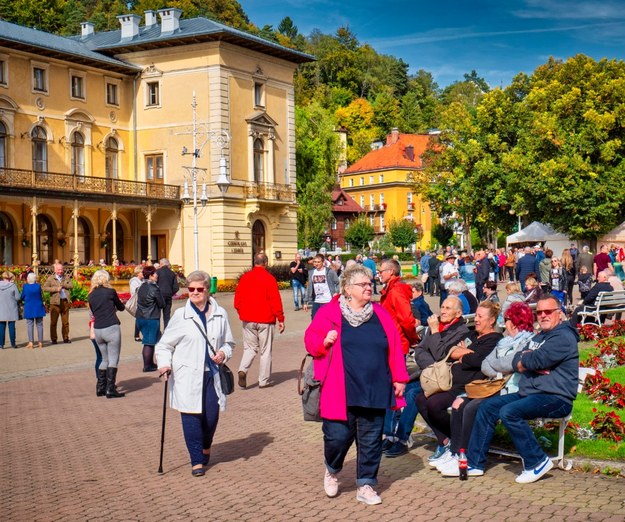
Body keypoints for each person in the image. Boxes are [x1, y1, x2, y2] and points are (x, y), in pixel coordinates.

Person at [443, 295, 579, 483]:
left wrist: (527, 359)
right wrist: (525, 360)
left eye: (548, 312)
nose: (543, 315)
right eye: (539, 312)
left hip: (556, 397)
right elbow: (518, 359)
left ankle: (537, 461)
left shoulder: (563, 336)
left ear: (559, 314)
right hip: (530, 393)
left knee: (509, 412)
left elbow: (535, 360)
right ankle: (474, 463)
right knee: (487, 407)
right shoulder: (540, 336)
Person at [304, 264, 409, 505]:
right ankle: (332, 469)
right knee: (337, 437)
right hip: (339, 388)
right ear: (347, 289)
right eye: (363, 284)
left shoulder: (380, 314)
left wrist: (400, 378)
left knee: (371, 439)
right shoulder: (330, 313)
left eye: (370, 283)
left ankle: (366, 484)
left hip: (375, 386)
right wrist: (324, 341)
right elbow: (310, 340)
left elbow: (394, 347)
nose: (368, 287)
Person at [436, 302, 535, 475]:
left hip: (510, 390)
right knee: (460, 403)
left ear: (518, 321)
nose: (506, 323)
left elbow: (510, 363)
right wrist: (500, 364)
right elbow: (487, 365)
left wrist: (497, 363)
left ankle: (468, 457)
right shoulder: (505, 341)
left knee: (473, 407)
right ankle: (457, 454)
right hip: (493, 386)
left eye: (509, 319)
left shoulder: (526, 342)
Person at [156, 270, 235, 477]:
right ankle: (196, 461)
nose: (195, 293)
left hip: (212, 375)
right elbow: (164, 345)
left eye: (199, 289)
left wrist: (223, 353)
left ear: (208, 290)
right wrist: (164, 364)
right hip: (186, 376)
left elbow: (229, 343)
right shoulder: (181, 315)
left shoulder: (220, 314)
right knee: (191, 416)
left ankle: (206, 445)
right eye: (191, 289)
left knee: (211, 417)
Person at [417, 301, 502, 468]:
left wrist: (465, 354)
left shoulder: (494, 339)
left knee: (434, 404)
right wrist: (465, 353)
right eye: (476, 315)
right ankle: (446, 440)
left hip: (468, 385)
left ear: (491, 320)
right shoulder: (472, 335)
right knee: (420, 398)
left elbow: (479, 360)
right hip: (450, 381)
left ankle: (456, 447)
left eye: (480, 316)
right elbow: (449, 351)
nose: (476, 319)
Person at [413, 296, 470, 460]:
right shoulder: (435, 326)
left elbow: (441, 354)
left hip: (449, 381)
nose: (442, 311)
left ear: (458, 313)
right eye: (442, 307)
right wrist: (433, 366)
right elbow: (420, 351)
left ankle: (454, 440)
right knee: (413, 396)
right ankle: (444, 440)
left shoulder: (461, 331)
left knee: (429, 401)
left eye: (447, 308)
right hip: (431, 376)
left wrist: (436, 332)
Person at [235, 253, 285, 389]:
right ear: (266, 263)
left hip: (248, 319)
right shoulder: (269, 279)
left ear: (254, 262)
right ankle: (263, 380)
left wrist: (242, 312)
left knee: (250, 348)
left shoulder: (245, 278)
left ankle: (243, 369)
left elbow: (237, 300)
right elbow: (275, 300)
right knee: (265, 350)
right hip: (265, 319)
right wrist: (280, 318)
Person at [87, 270, 126, 398]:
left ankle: (100, 387)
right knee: (113, 359)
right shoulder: (110, 292)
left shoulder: (91, 295)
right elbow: (121, 307)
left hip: (98, 329)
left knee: (104, 359)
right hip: (111, 327)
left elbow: (93, 312)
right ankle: (110, 389)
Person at [378, 259, 418, 354]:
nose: (379, 274)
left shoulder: (396, 291)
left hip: (397, 342)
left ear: (391, 271)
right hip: (391, 340)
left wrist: (413, 339)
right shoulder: (390, 289)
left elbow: (406, 319)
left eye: (381, 272)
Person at [137, 265, 165, 372]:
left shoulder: (142, 286)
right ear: (151, 275)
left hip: (141, 317)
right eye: (155, 274)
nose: (157, 275)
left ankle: (150, 363)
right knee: (148, 342)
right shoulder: (154, 288)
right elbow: (161, 303)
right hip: (151, 318)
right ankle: (147, 365)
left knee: (149, 340)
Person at [43, 263, 73, 344]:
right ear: (55, 270)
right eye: (59, 270)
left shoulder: (66, 277)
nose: (60, 271)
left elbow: (71, 285)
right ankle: (54, 339)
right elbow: (45, 288)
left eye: (61, 270)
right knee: (53, 322)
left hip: (65, 302)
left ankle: (66, 338)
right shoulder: (50, 278)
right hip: (55, 303)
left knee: (65, 322)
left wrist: (64, 284)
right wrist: (56, 289)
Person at [304, 254, 340, 319]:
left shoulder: (330, 272)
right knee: (315, 321)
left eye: (318, 262)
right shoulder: (311, 272)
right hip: (316, 301)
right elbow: (309, 287)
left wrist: (336, 292)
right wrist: (305, 301)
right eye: (315, 262)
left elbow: (338, 283)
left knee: (327, 321)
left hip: (327, 301)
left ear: (323, 262)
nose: (316, 264)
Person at [20, 272, 46, 349]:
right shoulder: (38, 286)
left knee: (30, 325)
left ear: (28, 279)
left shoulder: (25, 286)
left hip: (29, 307)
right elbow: (41, 296)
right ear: (35, 279)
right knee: (40, 325)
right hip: (38, 307)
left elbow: (22, 296)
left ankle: (31, 343)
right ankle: (40, 342)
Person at [156, 258, 180, 329]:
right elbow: (176, 287)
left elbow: (154, 284)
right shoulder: (172, 273)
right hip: (168, 296)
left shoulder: (158, 272)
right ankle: (166, 331)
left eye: (160, 264)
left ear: (162, 264)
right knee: (167, 315)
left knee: (157, 315)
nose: (159, 265)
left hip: (159, 296)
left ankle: (157, 332)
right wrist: (170, 293)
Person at [0, 272, 21, 349]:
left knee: (1, 327)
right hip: (11, 309)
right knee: (11, 327)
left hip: (1, 309)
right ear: (10, 278)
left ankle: (1, 344)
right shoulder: (13, 286)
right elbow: (18, 297)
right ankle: (13, 344)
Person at [129, 265, 144, 342]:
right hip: (137, 302)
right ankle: (136, 335)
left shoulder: (143, 280)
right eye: (142, 272)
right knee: (139, 318)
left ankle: (139, 334)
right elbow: (135, 291)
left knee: (141, 318)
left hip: (143, 302)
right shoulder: (134, 281)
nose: (143, 273)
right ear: (138, 273)